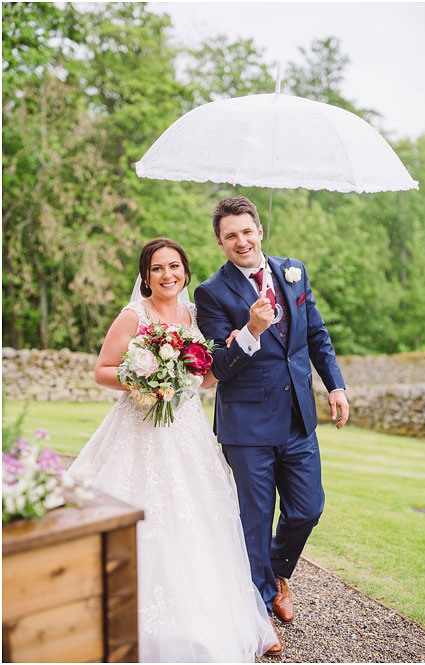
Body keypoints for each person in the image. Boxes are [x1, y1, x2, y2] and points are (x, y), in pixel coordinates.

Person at [67, 238, 280, 661]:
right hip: (139, 427)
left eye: (175, 266)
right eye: (158, 268)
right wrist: (147, 379)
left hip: (187, 429)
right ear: (145, 276)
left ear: (185, 270)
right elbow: (102, 371)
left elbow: (205, 379)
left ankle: (207, 621)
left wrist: (241, 338)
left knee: (200, 520)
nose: (168, 275)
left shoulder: (197, 315)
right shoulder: (133, 315)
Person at [193, 196, 349, 647]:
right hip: (247, 426)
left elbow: (316, 334)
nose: (241, 241)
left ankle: (278, 574)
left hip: (299, 416)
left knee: (308, 508)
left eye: (246, 231)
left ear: (259, 230)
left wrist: (334, 385)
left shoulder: (293, 270)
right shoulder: (211, 292)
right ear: (220, 242)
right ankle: (259, 613)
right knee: (255, 521)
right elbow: (215, 368)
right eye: (230, 236)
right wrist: (251, 332)